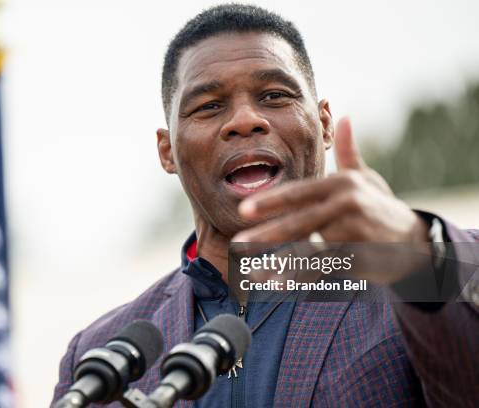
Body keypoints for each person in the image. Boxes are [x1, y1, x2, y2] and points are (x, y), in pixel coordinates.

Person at [51, 4, 479, 407]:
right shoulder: (97, 355)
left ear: (324, 123)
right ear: (167, 151)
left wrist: (415, 254)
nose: (244, 121)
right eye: (209, 106)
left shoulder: (428, 274)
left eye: (274, 95)